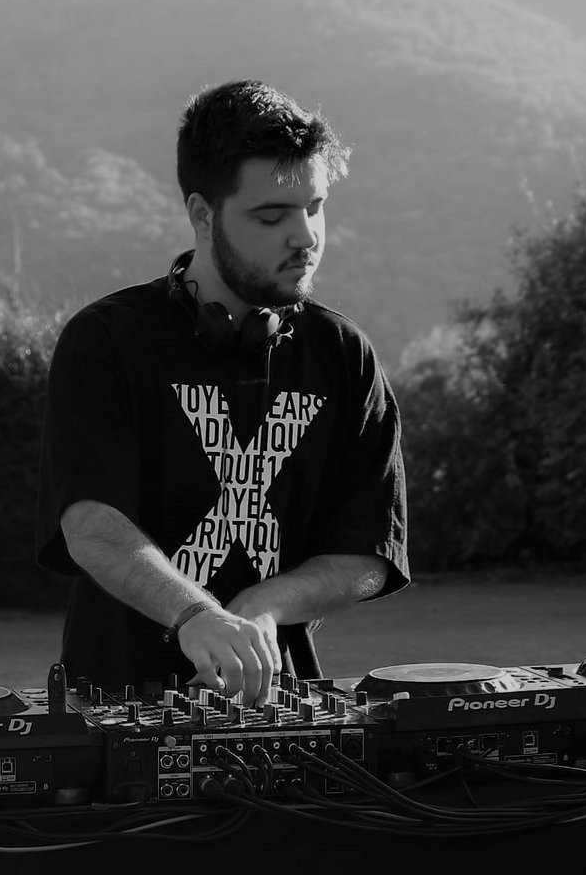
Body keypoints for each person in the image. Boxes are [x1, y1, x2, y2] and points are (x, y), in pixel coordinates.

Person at [35, 79, 409, 708]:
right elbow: (91, 525)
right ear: (203, 215)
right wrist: (195, 615)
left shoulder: (345, 356)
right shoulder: (106, 341)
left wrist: (264, 605)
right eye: (271, 216)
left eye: (315, 207)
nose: (305, 236)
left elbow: (369, 554)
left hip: (283, 711)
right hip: (114, 710)